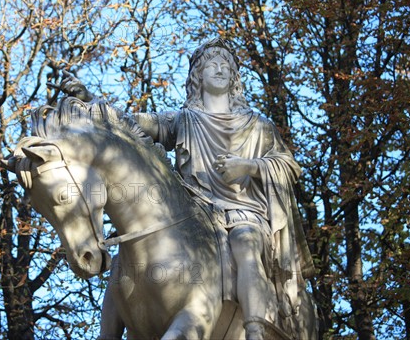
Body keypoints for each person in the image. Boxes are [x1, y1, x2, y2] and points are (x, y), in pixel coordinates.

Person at [63, 38, 314, 339]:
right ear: (198, 76)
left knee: (245, 242)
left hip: (242, 211)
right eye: (212, 65)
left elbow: (287, 165)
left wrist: (248, 166)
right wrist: (90, 101)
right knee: (125, 261)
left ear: (235, 78)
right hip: (194, 211)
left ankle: (255, 328)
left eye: (227, 66)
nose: (220, 70)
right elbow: (128, 127)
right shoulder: (183, 120)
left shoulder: (257, 125)